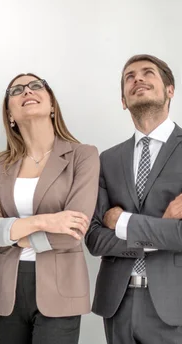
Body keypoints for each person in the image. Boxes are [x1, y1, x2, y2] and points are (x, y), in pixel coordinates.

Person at [0, 73, 99, 344]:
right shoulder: (0, 165)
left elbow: (70, 232)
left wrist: (8, 233)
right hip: (6, 290)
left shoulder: (83, 156)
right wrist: (45, 221)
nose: (27, 91)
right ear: (10, 114)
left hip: (60, 289)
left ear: (52, 104)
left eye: (35, 85)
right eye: (16, 90)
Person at [86, 54, 182, 344]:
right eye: (129, 77)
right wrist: (160, 232)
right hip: (117, 304)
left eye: (147, 73)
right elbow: (94, 238)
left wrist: (123, 221)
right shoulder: (108, 159)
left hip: (174, 304)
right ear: (123, 100)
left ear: (170, 90)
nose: (137, 79)